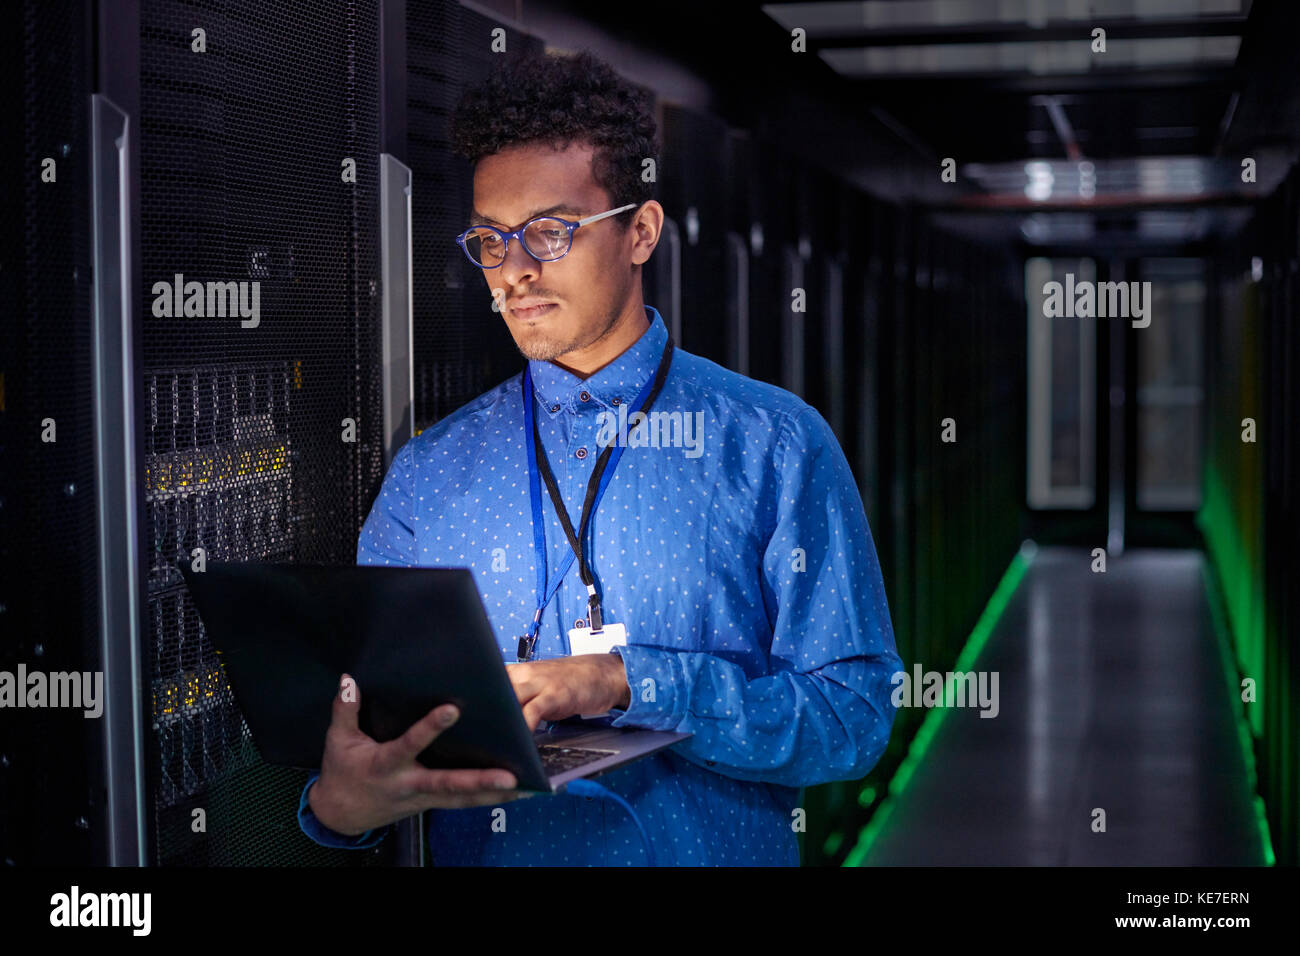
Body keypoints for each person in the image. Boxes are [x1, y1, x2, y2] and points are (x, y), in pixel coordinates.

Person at [298, 48, 901, 865]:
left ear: (640, 232)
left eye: (549, 233)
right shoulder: (427, 474)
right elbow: (370, 731)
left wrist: (630, 682)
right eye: (490, 241)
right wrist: (342, 808)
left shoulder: (774, 443)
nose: (514, 272)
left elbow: (852, 719)